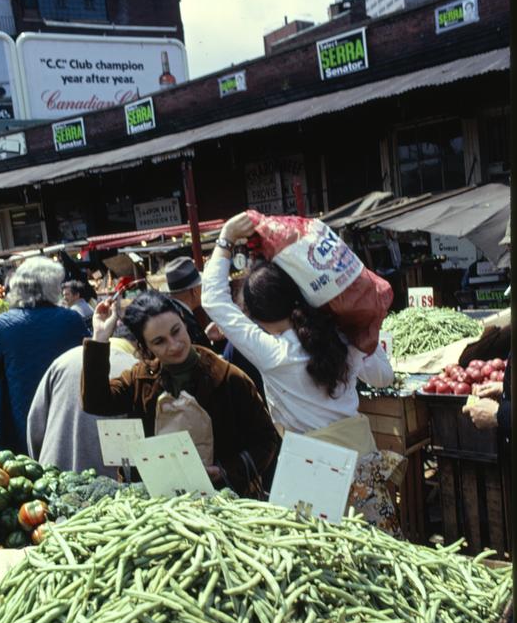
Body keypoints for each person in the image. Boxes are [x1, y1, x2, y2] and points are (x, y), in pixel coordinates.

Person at [202, 212, 404, 535]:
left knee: (325, 565)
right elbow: (384, 377)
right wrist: (364, 332)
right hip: (362, 466)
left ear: (254, 315)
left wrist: (225, 239)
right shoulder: (340, 335)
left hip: (312, 472)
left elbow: (213, 299)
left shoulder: (273, 353)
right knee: (377, 554)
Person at [81, 290, 280, 498]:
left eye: (176, 331)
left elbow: (266, 441)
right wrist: (100, 337)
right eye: (159, 342)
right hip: (160, 506)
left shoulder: (228, 378)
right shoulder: (140, 380)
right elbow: (96, 402)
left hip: (225, 503)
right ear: (145, 346)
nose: (174, 345)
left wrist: (224, 471)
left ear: (184, 322)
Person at [0, 256, 90, 455]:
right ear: (52, 287)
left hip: (17, 427)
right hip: (64, 418)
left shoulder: (3, 324)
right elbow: (90, 363)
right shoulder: (71, 320)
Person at [27, 324, 139, 475]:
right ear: (141, 345)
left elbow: (35, 424)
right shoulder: (137, 372)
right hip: (110, 487)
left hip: (52, 475)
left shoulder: (64, 360)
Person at [163, 257, 212, 348]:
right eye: (201, 286)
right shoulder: (184, 319)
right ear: (194, 291)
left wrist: (206, 335)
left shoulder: (174, 313)